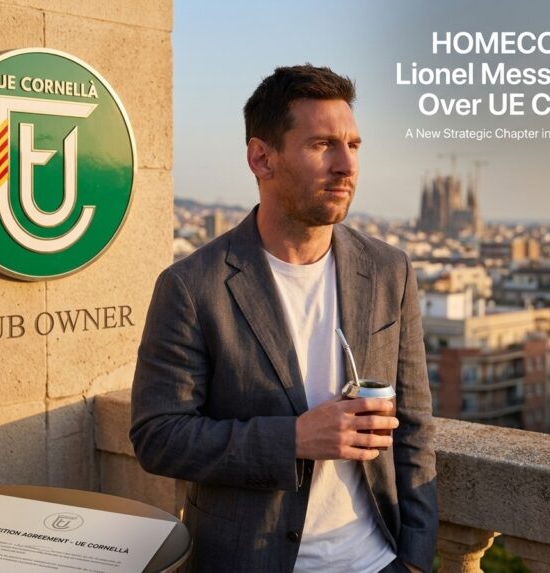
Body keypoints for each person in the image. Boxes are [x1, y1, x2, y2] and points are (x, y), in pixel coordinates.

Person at [130, 64, 437, 573]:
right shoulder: (192, 286)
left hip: (377, 561)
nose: (346, 165)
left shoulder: (389, 271)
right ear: (261, 158)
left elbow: (415, 427)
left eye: (353, 145)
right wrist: (293, 439)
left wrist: (416, 560)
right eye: (322, 145)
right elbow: (159, 437)